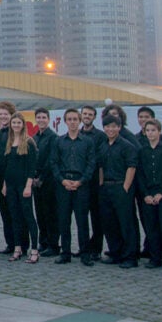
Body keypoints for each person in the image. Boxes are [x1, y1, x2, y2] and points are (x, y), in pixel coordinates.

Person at [53, 108, 95, 266]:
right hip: (63, 184)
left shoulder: (87, 142)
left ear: (79, 121)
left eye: (75, 119)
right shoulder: (59, 141)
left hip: (81, 185)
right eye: (69, 119)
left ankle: (85, 253)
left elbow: (91, 164)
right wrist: (62, 180)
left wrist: (81, 181)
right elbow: (54, 163)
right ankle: (65, 253)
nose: (72, 122)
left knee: (82, 220)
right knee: (64, 220)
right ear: (65, 121)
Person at [98, 114, 138, 268]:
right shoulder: (103, 145)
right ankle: (115, 252)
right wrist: (101, 184)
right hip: (106, 188)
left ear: (119, 127)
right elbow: (100, 166)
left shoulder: (127, 146)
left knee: (125, 222)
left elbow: (131, 167)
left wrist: (125, 187)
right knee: (109, 223)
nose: (110, 129)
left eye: (114, 126)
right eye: (107, 126)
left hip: (121, 187)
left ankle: (130, 256)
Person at [137, 119, 162, 270]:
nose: (151, 133)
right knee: (151, 227)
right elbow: (140, 174)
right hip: (148, 194)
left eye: (153, 130)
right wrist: (146, 194)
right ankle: (155, 258)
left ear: (159, 131)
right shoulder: (142, 151)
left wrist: (161, 192)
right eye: (148, 130)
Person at [2, 113, 39, 263]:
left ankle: (35, 250)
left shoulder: (29, 142)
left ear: (23, 124)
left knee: (28, 216)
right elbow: (7, 166)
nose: (16, 125)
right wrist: (4, 184)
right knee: (15, 217)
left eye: (18, 123)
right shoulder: (9, 141)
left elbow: (32, 167)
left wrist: (28, 186)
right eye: (14, 122)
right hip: (10, 185)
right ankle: (18, 248)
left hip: (24, 185)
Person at [79, 104, 107, 260]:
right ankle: (84, 247)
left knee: (97, 218)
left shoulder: (100, 136)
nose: (87, 116)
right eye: (85, 114)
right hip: (81, 182)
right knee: (82, 217)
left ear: (95, 117)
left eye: (90, 114)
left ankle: (96, 248)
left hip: (95, 182)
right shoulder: (77, 133)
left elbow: (100, 160)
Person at [32, 108, 59, 257]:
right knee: (40, 213)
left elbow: (51, 160)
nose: (41, 120)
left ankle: (53, 244)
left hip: (48, 181)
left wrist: (41, 178)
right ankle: (43, 242)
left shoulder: (53, 137)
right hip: (36, 181)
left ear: (48, 119)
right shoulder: (35, 137)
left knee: (50, 214)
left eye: (44, 117)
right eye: (39, 117)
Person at [0, 101, 17, 255]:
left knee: (15, 212)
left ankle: (19, 244)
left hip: (11, 179)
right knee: (5, 213)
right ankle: (10, 244)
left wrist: (7, 182)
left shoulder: (14, 134)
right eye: (0, 114)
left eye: (5, 114)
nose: (3, 117)